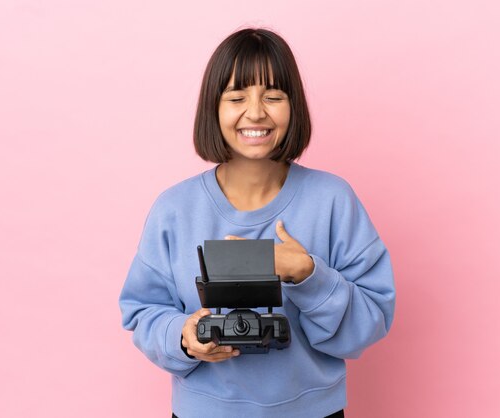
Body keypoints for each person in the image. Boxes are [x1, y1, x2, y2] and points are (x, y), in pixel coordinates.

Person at [119, 28, 396, 418]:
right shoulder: (174, 209)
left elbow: (371, 321)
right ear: (213, 108)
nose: (255, 112)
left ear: (293, 105)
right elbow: (142, 310)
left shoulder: (333, 200)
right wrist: (183, 337)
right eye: (236, 97)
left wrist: (308, 274)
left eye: (273, 96)